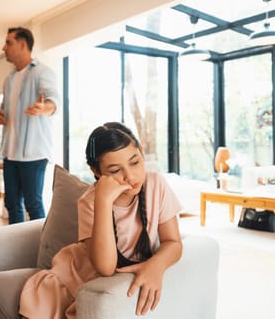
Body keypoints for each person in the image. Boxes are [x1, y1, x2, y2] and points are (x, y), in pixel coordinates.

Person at [19, 122, 183, 318]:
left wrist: (155, 266)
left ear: (141, 151)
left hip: (101, 283)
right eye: (115, 170)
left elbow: (173, 242)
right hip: (73, 277)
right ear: (96, 172)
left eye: (134, 162)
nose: (130, 176)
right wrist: (104, 201)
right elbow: (106, 268)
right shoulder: (90, 202)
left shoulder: (156, 184)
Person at [0, 27, 60, 224]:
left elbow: (53, 101)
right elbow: (5, 110)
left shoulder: (42, 72)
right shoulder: (9, 79)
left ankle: (39, 251)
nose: (3, 47)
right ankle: (17, 248)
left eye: (8, 43)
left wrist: (44, 107)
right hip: (10, 153)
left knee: (33, 204)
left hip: (33, 153)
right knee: (12, 204)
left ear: (22, 45)